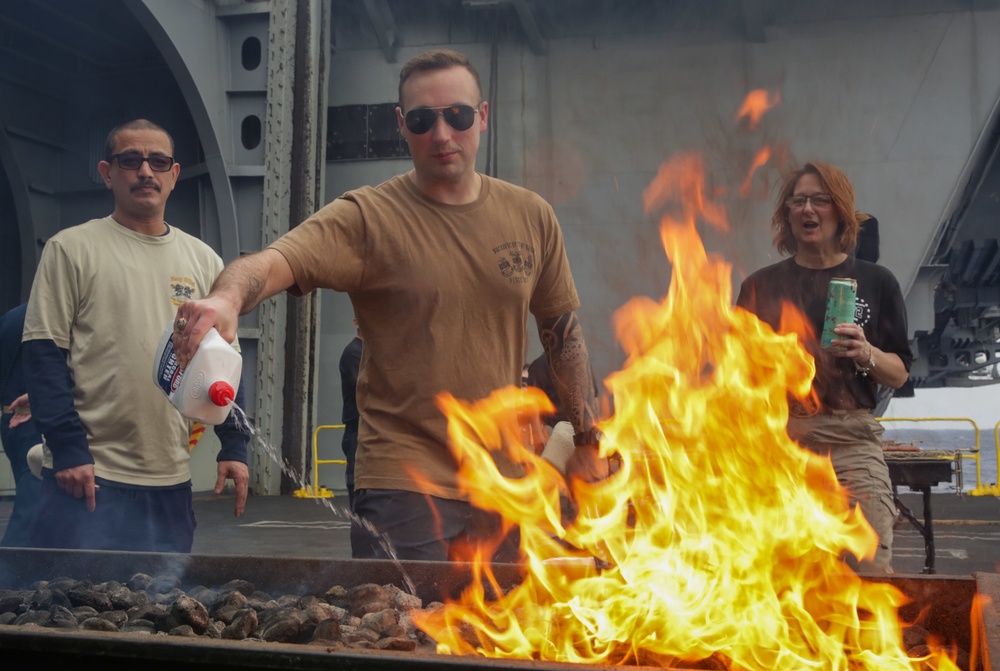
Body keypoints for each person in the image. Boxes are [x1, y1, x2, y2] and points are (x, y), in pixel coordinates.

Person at [173, 49, 605, 562]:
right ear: (402, 125)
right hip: (404, 484)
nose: (442, 135)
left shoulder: (532, 216)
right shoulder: (367, 218)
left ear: (483, 117)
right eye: (423, 120)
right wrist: (225, 299)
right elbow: (270, 262)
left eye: (458, 116)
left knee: (497, 639)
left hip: (503, 484)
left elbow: (562, 333)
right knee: (399, 635)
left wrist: (585, 438)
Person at [21, 118, 250, 553]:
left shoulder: (203, 260)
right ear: (108, 173)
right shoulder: (72, 248)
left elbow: (228, 367)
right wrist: (68, 451)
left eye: (158, 161)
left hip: (170, 483)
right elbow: (43, 355)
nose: (146, 171)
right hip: (87, 480)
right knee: (67, 611)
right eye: (131, 160)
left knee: (165, 615)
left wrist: (234, 446)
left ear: (174, 175)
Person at [736, 161, 913, 574]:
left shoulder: (876, 281)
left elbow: (900, 372)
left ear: (841, 212)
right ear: (787, 215)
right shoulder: (760, 286)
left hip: (852, 440)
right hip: (782, 445)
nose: (807, 210)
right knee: (775, 580)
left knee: (867, 567)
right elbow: (737, 377)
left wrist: (866, 351)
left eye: (819, 200)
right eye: (798, 201)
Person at [0, 303, 43, 546]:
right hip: (34, 418)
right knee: (32, 501)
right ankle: (12, 567)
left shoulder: (10, 317)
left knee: (29, 494)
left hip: (10, 418)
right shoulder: (47, 318)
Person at [338, 319, 363, 510]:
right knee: (360, 494)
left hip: (369, 432)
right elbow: (366, 390)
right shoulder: (354, 353)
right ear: (356, 322)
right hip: (358, 433)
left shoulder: (373, 353)